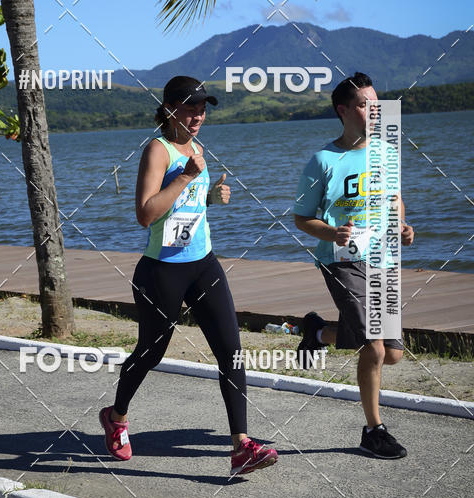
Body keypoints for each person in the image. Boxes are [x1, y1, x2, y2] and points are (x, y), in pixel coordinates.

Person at [100, 75, 278, 476]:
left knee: (231, 352)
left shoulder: (197, 148)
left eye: (202, 110)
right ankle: (116, 416)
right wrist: (184, 176)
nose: (198, 117)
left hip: (203, 264)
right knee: (151, 352)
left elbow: (186, 207)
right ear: (169, 110)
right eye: (190, 109)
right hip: (162, 270)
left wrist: (211, 196)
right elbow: (146, 213)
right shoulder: (158, 150)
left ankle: (241, 447)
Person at [293, 73, 415, 459]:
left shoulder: (386, 153)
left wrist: (402, 225)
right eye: (365, 105)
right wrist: (333, 233)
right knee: (374, 346)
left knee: (392, 353)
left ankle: (318, 333)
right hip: (342, 262)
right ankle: (373, 431)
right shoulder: (323, 161)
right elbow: (301, 218)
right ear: (343, 110)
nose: (374, 112)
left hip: (383, 259)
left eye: (376, 104)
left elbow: (395, 200)